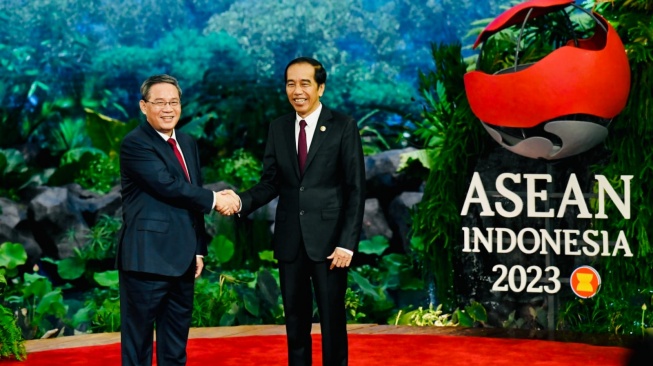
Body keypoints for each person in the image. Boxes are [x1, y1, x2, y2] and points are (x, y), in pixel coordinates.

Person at [225, 57, 366, 365]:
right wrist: (240, 201)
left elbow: (356, 189)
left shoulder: (344, 126)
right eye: (291, 83)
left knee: (332, 320)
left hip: (330, 245)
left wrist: (346, 243)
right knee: (295, 323)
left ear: (321, 88)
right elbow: (270, 183)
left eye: (305, 83)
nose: (297, 90)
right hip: (290, 242)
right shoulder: (278, 128)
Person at [117, 74, 238, 366]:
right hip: (146, 260)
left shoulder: (187, 141)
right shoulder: (135, 143)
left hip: (183, 260)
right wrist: (216, 200)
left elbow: (189, 196)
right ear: (144, 106)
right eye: (159, 102)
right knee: (138, 347)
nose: (168, 108)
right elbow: (168, 185)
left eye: (173, 102)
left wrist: (198, 247)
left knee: (175, 344)